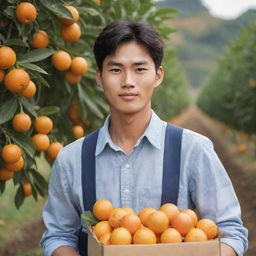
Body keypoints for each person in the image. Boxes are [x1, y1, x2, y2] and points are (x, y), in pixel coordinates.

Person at [40, 20, 248, 256]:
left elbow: (231, 232)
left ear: (158, 76)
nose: (128, 82)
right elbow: (58, 235)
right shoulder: (72, 159)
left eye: (140, 69)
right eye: (115, 69)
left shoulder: (193, 150)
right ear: (99, 77)